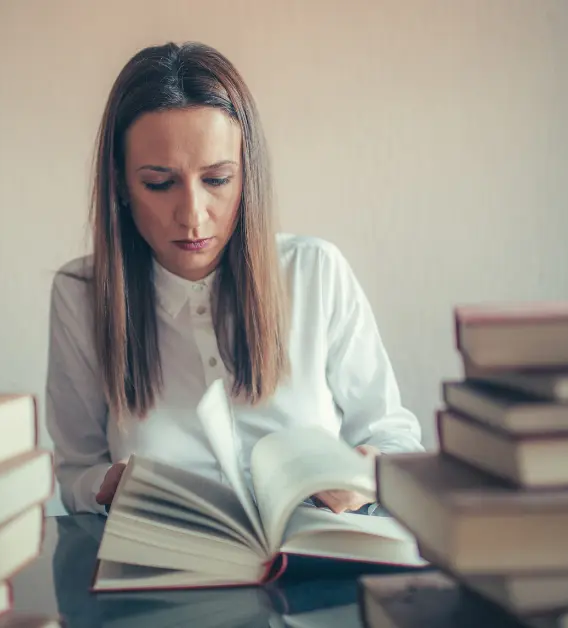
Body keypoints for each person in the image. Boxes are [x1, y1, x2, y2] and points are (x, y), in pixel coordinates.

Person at [44, 41, 423, 517]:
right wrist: (106, 486)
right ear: (120, 182)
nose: (192, 216)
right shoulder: (81, 296)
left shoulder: (314, 273)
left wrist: (365, 476)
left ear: (247, 177)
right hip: (166, 572)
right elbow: (76, 473)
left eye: (218, 179)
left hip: (315, 563)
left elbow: (392, 437)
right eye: (160, 183)